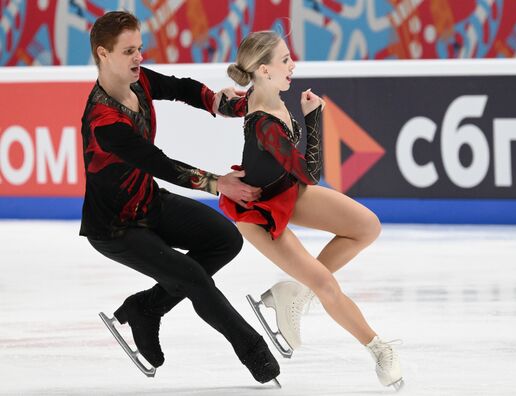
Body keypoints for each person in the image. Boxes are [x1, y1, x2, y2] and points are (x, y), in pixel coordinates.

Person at [80, 11, 280, 385]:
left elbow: (182, 87)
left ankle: (146, 308)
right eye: (128, 51)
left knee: (225, 240)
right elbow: (157, 162)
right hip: (115, 228)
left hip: (149, 202)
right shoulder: (102, 120)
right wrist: (218, 183)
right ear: (103, 54)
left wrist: (218, 102)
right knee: (192, 278)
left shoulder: (139, 81)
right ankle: (253, 351)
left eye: (140, 48)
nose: (138, 57)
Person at [217, 31, 403, 390]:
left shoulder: (259, 94)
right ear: (263, 69)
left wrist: (220, 100)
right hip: (258, 212)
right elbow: (311, 173)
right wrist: (314, 117)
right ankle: (378, 349)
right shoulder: (265, 125)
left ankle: (294, 293)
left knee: (367, 226)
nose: (292, 64)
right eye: (284, 59)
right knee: (325, 282)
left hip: (285, 191)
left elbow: (228, 104)